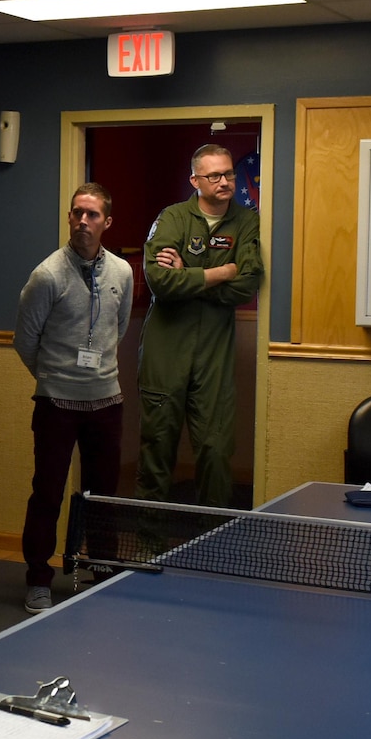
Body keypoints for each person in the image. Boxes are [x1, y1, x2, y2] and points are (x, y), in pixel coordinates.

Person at [13, 184, 133, 614]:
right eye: (77, 213)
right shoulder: (47, 275)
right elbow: (25, 341)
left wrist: (93, 372)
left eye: (92, 215)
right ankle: (38, 580)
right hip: (56, 406)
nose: (83, 221)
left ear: (107, 223)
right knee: (47, 493)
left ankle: (101, 570)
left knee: (102, 496)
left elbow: (117, 330)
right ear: (68, 218)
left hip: (107, 402)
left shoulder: (122, 271)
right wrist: (56, 378)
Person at [136, 143, 263, 508]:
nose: (224, 181)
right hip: (165, 351)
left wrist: (189, 278)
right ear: (195, 180)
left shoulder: (247, 221)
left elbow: (247, 284)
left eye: (229, 174)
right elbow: (160, 282)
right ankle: (149, 547)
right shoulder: (173, 218)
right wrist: (221, 271)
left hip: (214, 356)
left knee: (216, 452)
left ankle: (214, 548)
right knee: (157, 452)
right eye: (214, 176)